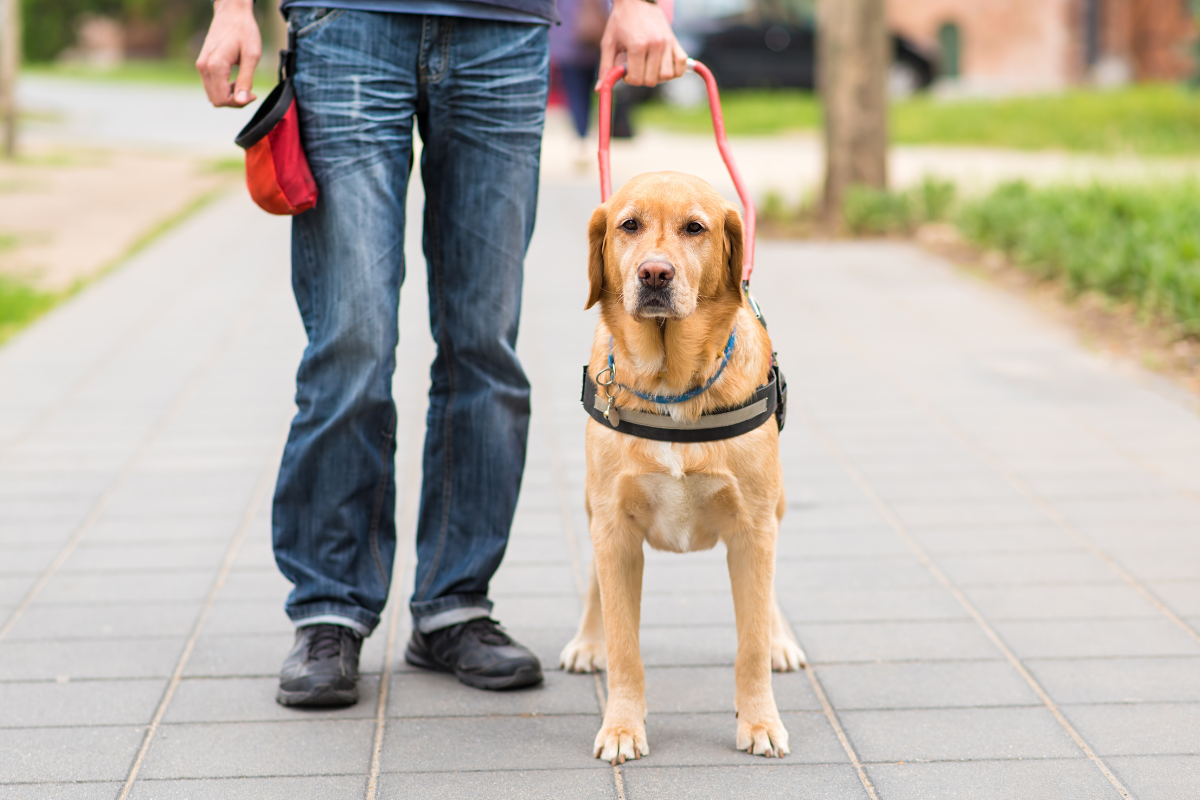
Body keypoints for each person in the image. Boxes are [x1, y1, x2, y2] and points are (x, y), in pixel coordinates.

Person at [196, 0, 686, 705]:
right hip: (347, 24)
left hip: (505, 29)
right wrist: (232, 9)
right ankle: (329, 606)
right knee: (351, 339)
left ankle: (454, 604)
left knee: (484, 343)